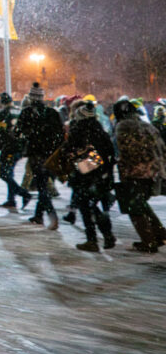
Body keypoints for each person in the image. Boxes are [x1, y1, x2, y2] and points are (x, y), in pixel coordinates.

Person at [61, 100, 117, 251]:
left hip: (85, 174)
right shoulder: (101, 132)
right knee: (94, 205)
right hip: (102, 175)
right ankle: (107, 234)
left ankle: (92, 239)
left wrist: (81, 165)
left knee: (85, 206)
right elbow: (111, 153)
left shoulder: (78, 131)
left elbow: (68, 151)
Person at [113, 99, 166, 253]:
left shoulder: (124, 126)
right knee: (141, 204)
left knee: (134, 207)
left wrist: (123, 169)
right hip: (154, 171)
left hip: (137, 171)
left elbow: (127, 150)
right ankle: (160, 234)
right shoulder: (147, 126)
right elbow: (162, 148)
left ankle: (148, 241)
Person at [13, 82, 65, 230]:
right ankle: (38, 215)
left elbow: (17, 133)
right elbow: (60, 135)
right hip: (52, 155)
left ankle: (51, 214)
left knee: (42, 187)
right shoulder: (53, 113)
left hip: (36, 155)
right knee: (44, 185)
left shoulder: (27, 113)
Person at [0, 93, 31, 209]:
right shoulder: (19, 111)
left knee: (4, 174)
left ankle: (23, 193)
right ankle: (11, 199)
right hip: (19, 147)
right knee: (9, 172)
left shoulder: (2, 114)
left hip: (9, 147)